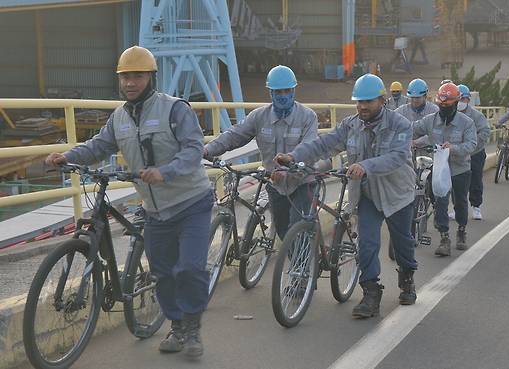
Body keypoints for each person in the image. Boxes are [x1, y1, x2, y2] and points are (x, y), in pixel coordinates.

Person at [45, 46, 212, 358]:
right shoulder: (119, 117)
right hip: (155, 210)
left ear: (151, 77)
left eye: (137, 76)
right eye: (125, 77)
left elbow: (193, 150)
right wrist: (67, 156)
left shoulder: (176, 109)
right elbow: (99, 146)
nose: (130, 83)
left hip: (191, 203)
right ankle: (176, 327)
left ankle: (192, 330)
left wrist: (166, 171)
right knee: (162, 272)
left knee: (188, 268)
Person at [275, 74, 418, 318]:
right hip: (367, 195)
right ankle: (371, 293)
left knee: (402, 241)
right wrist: (294, 156)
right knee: (367, 243)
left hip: (397, 194)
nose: (362, 106)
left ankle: (407, 278)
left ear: (382, 100)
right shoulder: (350, 125)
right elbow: (323, 144)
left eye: (368, 102)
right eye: (358, 102)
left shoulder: (400, 124)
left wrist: (366, 166)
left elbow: (398, 156)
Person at [205, 65, 318, 242]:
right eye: (277, 92)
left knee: (298, 230)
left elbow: (309, 146)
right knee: (282, 231)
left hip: (302, 183)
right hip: (274, 184)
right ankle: (294, 260)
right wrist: (207, 150)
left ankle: (300, 268)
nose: (282, 96)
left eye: (287, 91)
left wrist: (289, 167)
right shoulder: (259, 116)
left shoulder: (307, 117)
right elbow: (235, 135)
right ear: (270, 93)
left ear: (293, 91)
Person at [413, 83, 477, 256]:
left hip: (460, 169)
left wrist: (453, 148)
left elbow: (471, 144)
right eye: (441, 105)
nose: (444, 108)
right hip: (440, 169)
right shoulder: (430, 120)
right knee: (440, 202)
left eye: (448, 105)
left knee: (460, 202)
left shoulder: (467, 123)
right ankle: (444, 238)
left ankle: (461, 230)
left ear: (456, 103)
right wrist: (407, 140)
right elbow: (412, 129)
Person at [457, 84, 490, 220]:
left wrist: (473, 144)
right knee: (458, 182)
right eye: (458, 99)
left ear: (468, 100)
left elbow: (485, 131)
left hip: (475, 153)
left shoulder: (477, 116)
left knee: (475, 180)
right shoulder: (452, 115)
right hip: (458, 155)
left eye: (463, 99)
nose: (460, 102)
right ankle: (457, 208)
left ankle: (476, 206)